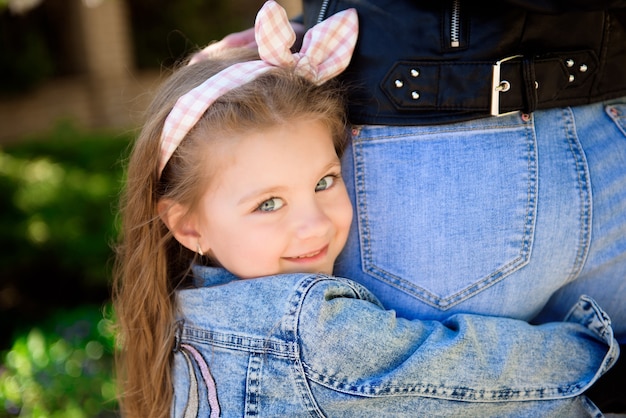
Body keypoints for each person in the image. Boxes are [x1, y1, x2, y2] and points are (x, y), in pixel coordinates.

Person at [112, 2, 619, 417]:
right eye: (268, 204)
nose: (313, 224)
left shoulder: (181, 317)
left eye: (326, 181)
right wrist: (600, 352)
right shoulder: (313, 333)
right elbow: (478, 375)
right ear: (186, 224)